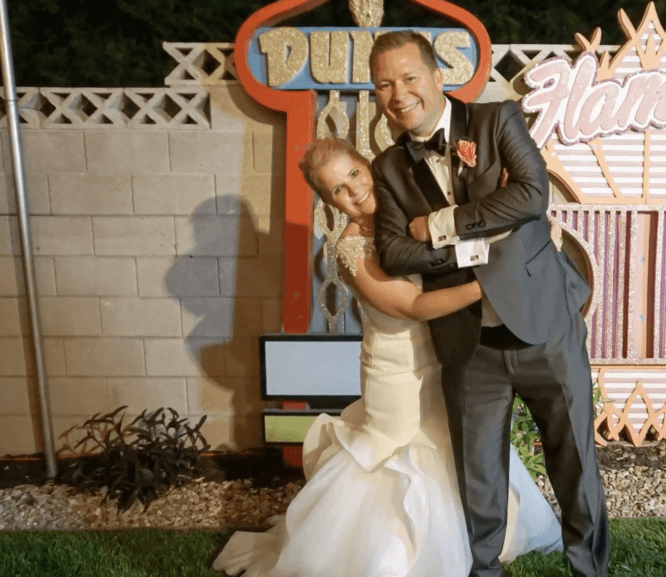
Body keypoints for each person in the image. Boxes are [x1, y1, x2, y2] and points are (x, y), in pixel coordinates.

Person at [211, 138, 563, 577]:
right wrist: (496, 283)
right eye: (337, 189)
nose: (354, 191)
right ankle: (391, 555)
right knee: (399, 456)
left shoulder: (417, 211)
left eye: (354, 174)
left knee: (458, 446)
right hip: (396, 372)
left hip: (449, 357)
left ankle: (481, 536)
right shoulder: (351, 248)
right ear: (329, 202)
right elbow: (411, 306)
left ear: (369, 166)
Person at [369, 31, 610, 577]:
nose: (399, 93)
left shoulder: (497, 120)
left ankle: (589, 570)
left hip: (544, 323)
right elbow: (392, 252)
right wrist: (485, 233)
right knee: (478, 476)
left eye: (409, 77)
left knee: (573, 463)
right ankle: (484, 572)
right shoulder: (387, 167)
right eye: (384, 84)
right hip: (467, 342)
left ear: (437, 76)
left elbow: (531, 195)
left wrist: (440, 226)